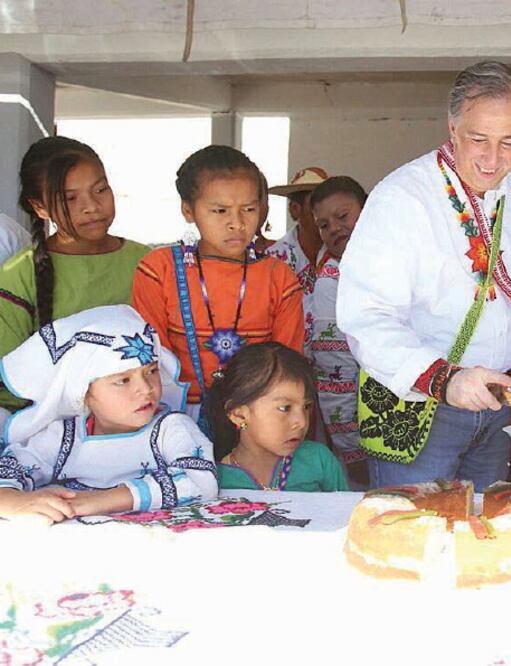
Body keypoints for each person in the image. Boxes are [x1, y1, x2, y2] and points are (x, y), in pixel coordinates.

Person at [338, 61, 511, 491]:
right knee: (414, 539)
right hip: (417, 407)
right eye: (478, 140)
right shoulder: (401, 198)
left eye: (509, 141)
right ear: (452, 127)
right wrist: (446, 381)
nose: (493, 159)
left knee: (487, 536)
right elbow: (366, 317)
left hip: (498, 407)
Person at [131, 145, 304, 424]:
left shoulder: (279, 279)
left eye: (249, 209)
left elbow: (287, 368)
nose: (236, 223)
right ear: (188, 210)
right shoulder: (159, 270)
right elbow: (151, 360)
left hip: (257, 420)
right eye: (220, 210)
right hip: (173, 419)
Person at [0, 306, 216, 524]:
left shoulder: (171, 428)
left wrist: (98, 501)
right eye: (123, 380)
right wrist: (13, 501)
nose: (146, 389)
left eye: (151, 371)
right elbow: (11, 468)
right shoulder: (62, 436)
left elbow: (200, 480)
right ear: (83, 392)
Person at [0, 137, 149, 411]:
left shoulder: (149, 263)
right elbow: (8, 383)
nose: (91, 206)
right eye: (70, 198)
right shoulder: (17, 276)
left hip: (142, 420)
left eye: (100, 189)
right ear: (40, 207)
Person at [210, 342, 348, 492]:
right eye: (285, 408)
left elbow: (348, 513)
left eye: (306, 407)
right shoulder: (213, 479)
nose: (301, 422)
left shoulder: (319, 460)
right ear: (239, 415)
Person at [307, 176, 369, 484]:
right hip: (368, 442)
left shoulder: (399, 260)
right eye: (323, 225)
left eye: (342, 217)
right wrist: (351, 451)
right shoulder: (331, 281)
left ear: (369, 209)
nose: (333, 228)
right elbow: (335, 378)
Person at [267, 166, 328, 296]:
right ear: (295, 209)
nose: (324, 211)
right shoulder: (273, 259)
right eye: (316, 204)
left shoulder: (342, 251)